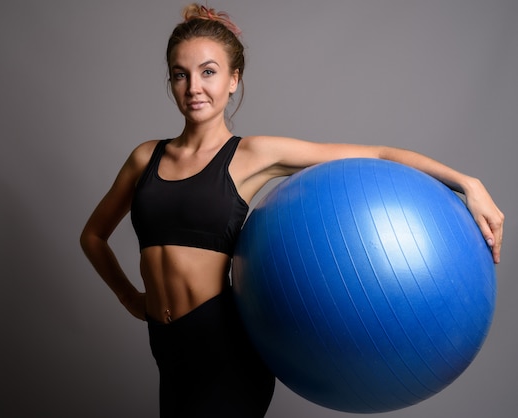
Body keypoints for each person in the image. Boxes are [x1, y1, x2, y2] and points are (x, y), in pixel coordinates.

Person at [80, 4, 504, 417]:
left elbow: (377, 153)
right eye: (180, 74)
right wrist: (128, 296)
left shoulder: (250, 155)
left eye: (209, 72)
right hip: (167, 349)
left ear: (233, 80)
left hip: (224, 351)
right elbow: (93, 236)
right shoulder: (145, 158)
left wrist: (468, 184)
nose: (194, 87)